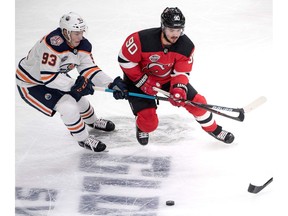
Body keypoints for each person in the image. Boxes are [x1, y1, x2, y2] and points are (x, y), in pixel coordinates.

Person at [118, 7, 234, 145]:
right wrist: (142, 82)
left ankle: (214, 129)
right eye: (171, 30)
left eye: (178, 30)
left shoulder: (186, 46)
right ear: (163, 27)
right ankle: (141, 126)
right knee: (149, 124)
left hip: (166, 79)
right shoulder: (141, 40)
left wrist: (178, 89)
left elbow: (181, 72)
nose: (175, 34)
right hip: (138, 80)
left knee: (199, 103)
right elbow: (125, 59)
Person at [16, 12, 128, 152]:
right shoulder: (53, 45)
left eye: (81, 32)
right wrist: (75, 85)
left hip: (55, 77)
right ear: (65, 32)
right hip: (31, 84)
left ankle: (92, 122)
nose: (80, 36)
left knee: (80, 100)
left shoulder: (83, 45)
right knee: (68, 107)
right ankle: (82, 139)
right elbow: (48, 78)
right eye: (76, 33)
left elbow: (89, 69)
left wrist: (111, 84)